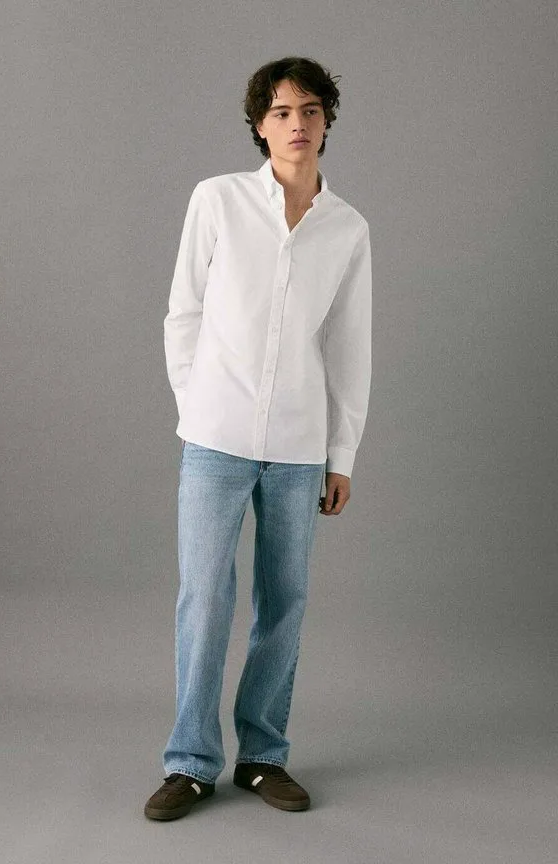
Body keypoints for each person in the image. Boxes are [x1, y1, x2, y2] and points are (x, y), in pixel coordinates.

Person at [144, 55, 372, 821]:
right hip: (216, 438)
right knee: (204, 598)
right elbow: (183, 313)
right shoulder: (217, 200)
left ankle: (263, 756)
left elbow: (349, 348)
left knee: (286, 602)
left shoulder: (347, 228)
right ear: (259, 125)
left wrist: (342, 455)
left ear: (326, 122)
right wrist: (198, 405)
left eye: (309, 110)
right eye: (281, 112)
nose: (296, 124)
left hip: (301, 448)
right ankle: (190, 762)